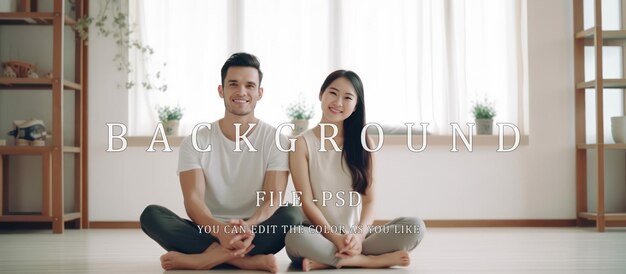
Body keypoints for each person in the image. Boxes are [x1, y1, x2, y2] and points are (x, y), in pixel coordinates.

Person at [140, 52, 302, 272]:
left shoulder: (276, 140)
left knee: (293, 214)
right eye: (233, 84)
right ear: (221, 90)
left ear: (260, 93)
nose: (241, 92)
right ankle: (245, 261)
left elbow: (272, 200)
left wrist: (248, 226)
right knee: (152, 216)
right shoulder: (197, 140)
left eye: (249, 86)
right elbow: (193, 200)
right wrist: (220, 231)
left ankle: (203, 259)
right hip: (209, 228)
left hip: (255, 231)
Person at [285, 70, 425, 271]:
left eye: (348, 97)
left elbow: (369, 201)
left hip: (356, 235)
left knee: (415, 226)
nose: (338, 102)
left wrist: (358, 236)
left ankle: (332, 260)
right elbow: (306, 202)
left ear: (356, 105)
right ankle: (369, 261)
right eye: (333, 93)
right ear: (321, 94)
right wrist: (335, 238)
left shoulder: (364, 142)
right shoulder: (301, 144)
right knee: (294, 238)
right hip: (317, 235)